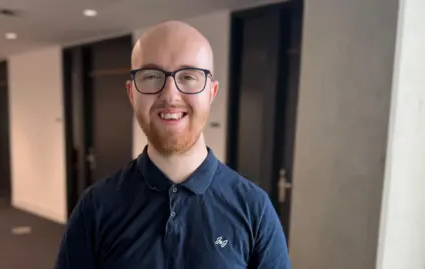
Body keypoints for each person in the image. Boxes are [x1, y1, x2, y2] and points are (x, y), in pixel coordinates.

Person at [54, 20, 291, 269]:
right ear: (132, 93)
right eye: (151, 76)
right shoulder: (95, 207)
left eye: (188, 76)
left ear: (211, 92)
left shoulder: (255, 209)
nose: (170, 95)